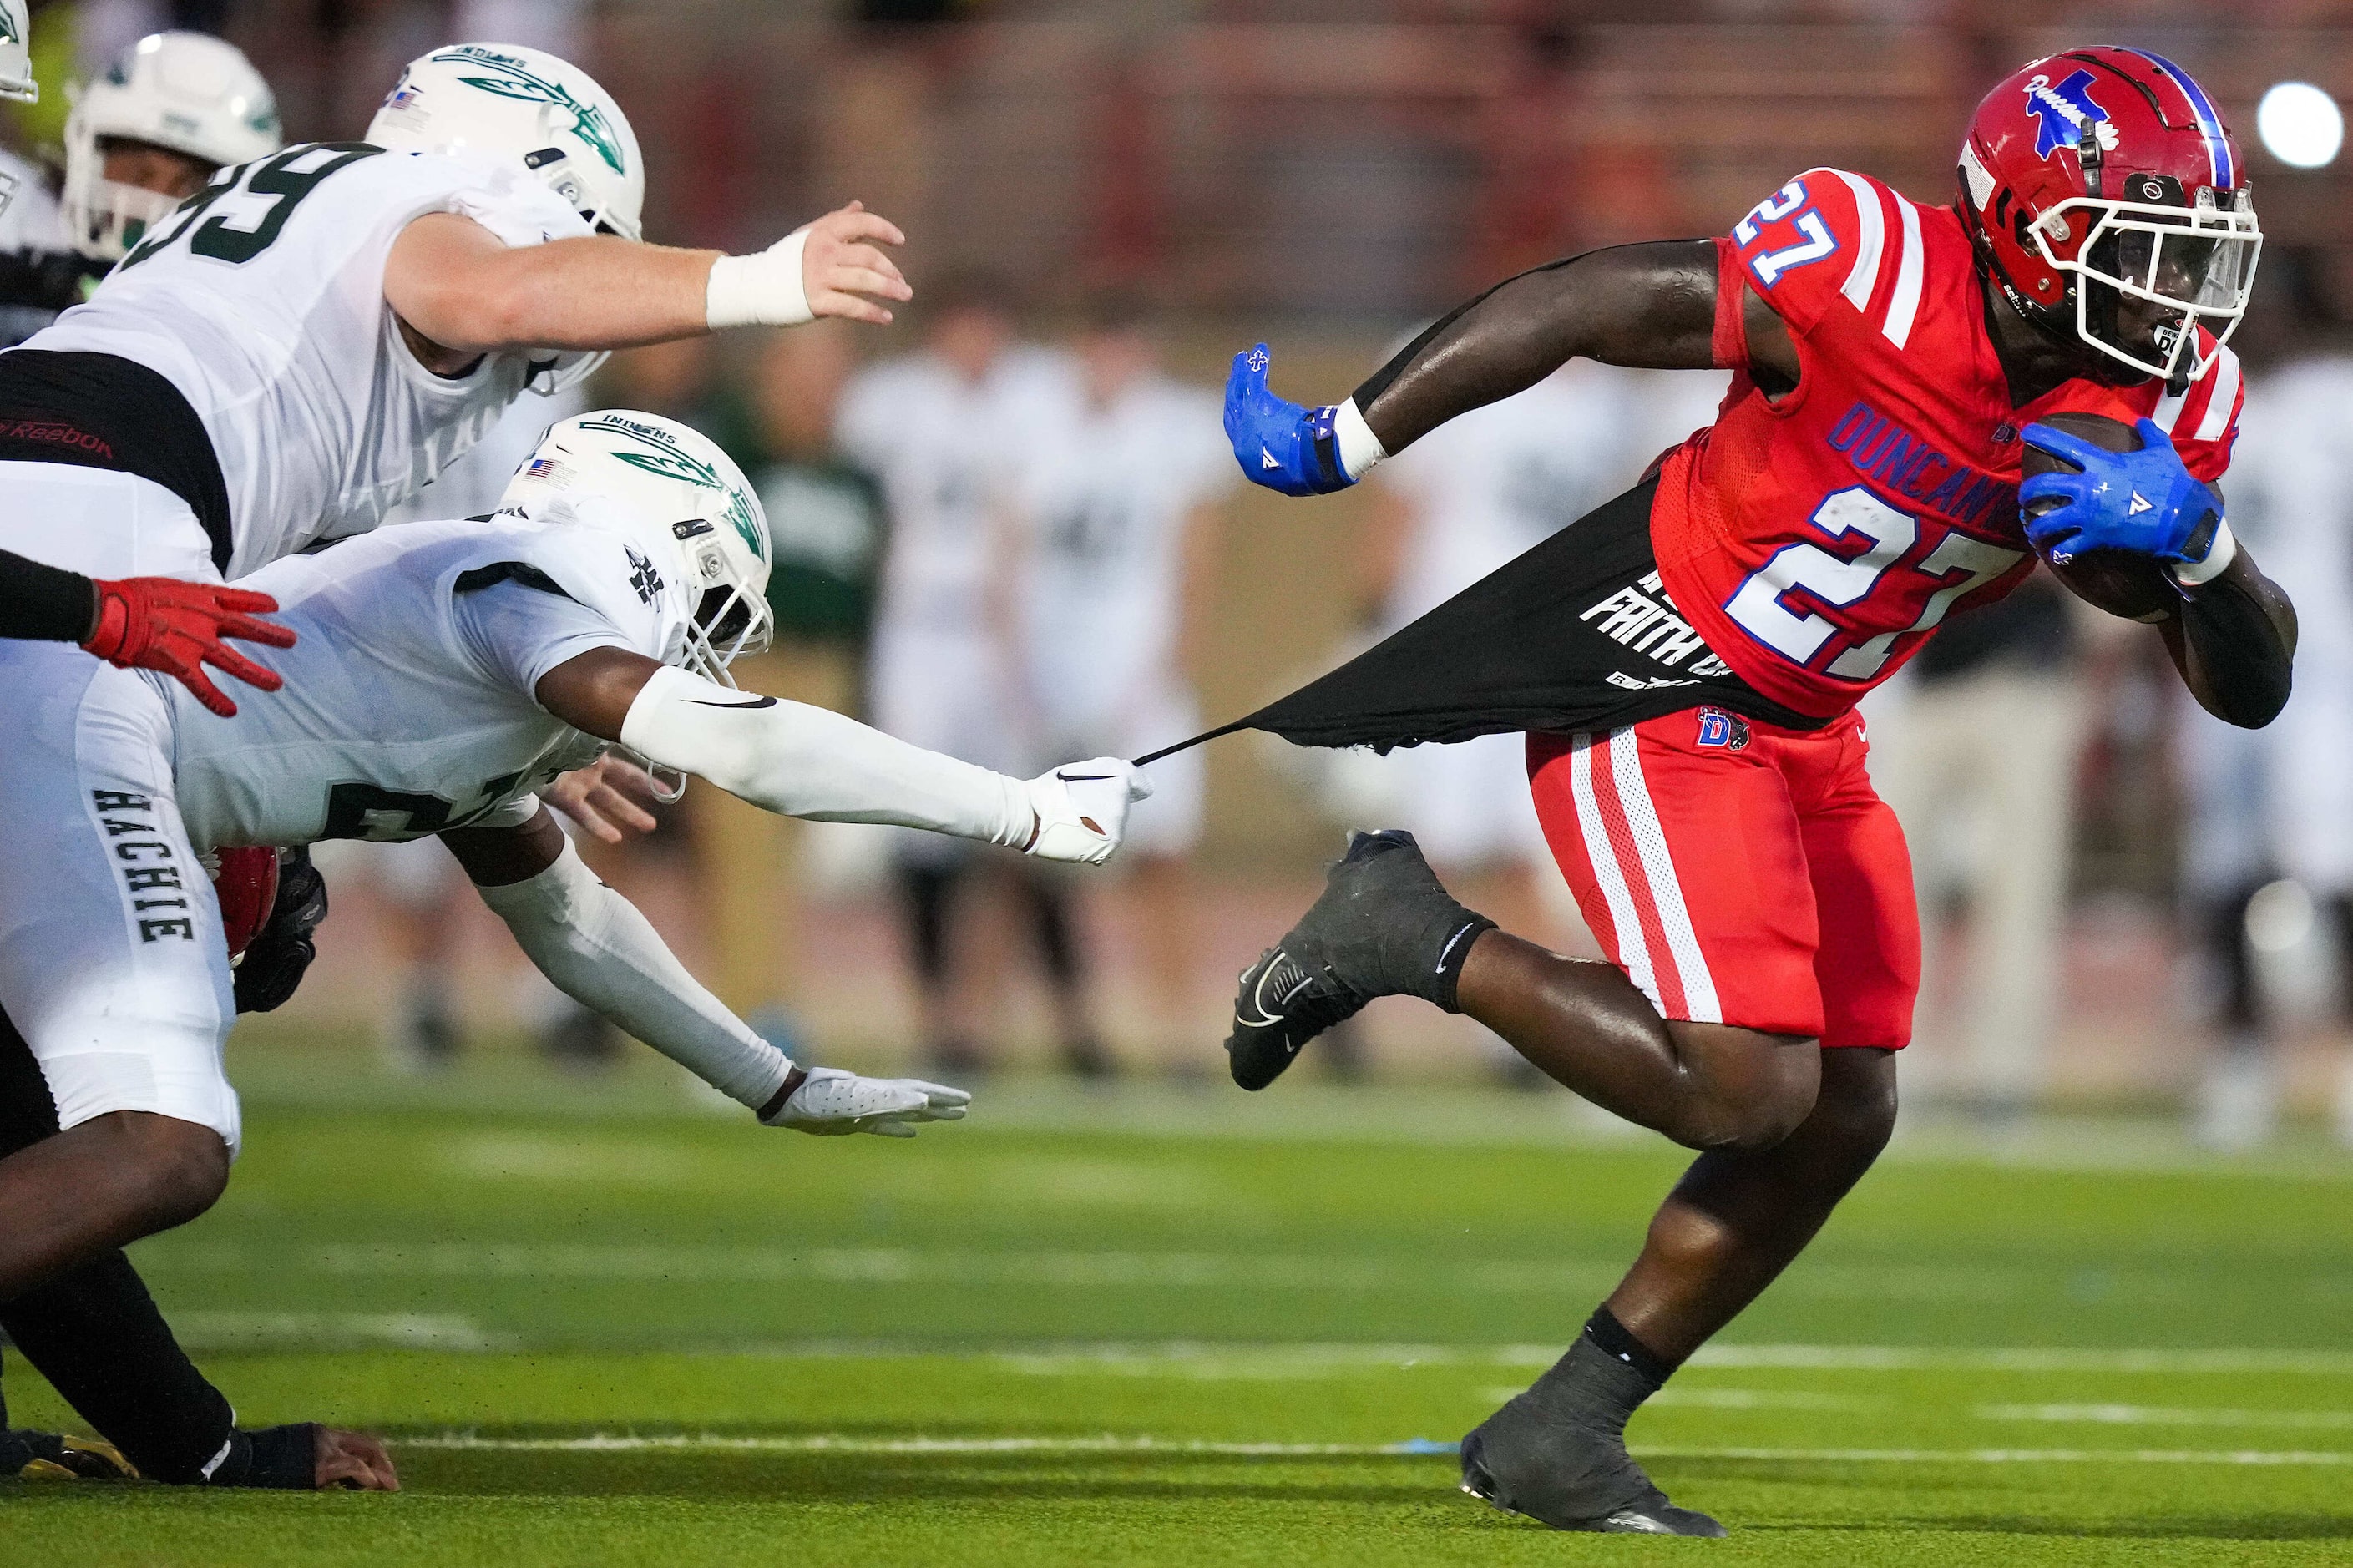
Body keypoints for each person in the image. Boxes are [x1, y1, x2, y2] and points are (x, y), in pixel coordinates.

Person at [1211, 47, 2290, 1533]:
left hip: (1809, 719)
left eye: (2196, 256)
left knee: (1844, 1107)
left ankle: (1559, 1427)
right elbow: (1597, 297)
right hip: (1654, 668)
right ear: (2028, 233)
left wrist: (2204, 556)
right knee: (1744, 1080)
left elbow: (2248, 685)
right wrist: (1355, 432)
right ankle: (1404, 929)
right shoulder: (1870, 264)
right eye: (2143, 251)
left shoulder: (2161, 401)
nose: (2178, 298)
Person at [0, 407, 1147, 1487]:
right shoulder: (531, 582)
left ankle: (174, 1437)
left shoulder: (462, 681)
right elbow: (737, 745)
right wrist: (1021, 810)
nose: (705, 657)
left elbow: (572, 922)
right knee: (164, 1141)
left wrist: (774, 1081)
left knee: (51, 1146)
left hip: (65, 737)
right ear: (664, 546)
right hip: (87, 731)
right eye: (711, 619)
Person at [0, 38, 908, 710]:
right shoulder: (433, 204)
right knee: (141, 942)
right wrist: (761, 280)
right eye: (577, 236)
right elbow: (492, 295)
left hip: (69, 448)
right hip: (121, 482)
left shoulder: (304, 221)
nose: (583, 286)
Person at [837, 274, 1089, 1074]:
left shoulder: (1038, 396)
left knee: (1030, 826)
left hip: (1005, 631)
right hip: (919, 628)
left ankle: (1031, 1012)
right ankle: (938, 1013)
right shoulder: (893, 400)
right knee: (920, 827)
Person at [1004, 294, 1227, 1075]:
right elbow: (1011, 547)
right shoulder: (1039, 426)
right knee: (1027, 855)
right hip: (1052, 671)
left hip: (1139, 677)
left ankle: (1179, 1031)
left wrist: (1170, 664)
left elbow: (1196, 557)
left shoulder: (1172, 430)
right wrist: (1016, 668)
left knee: (1163, 859)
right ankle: (1060, 1026)